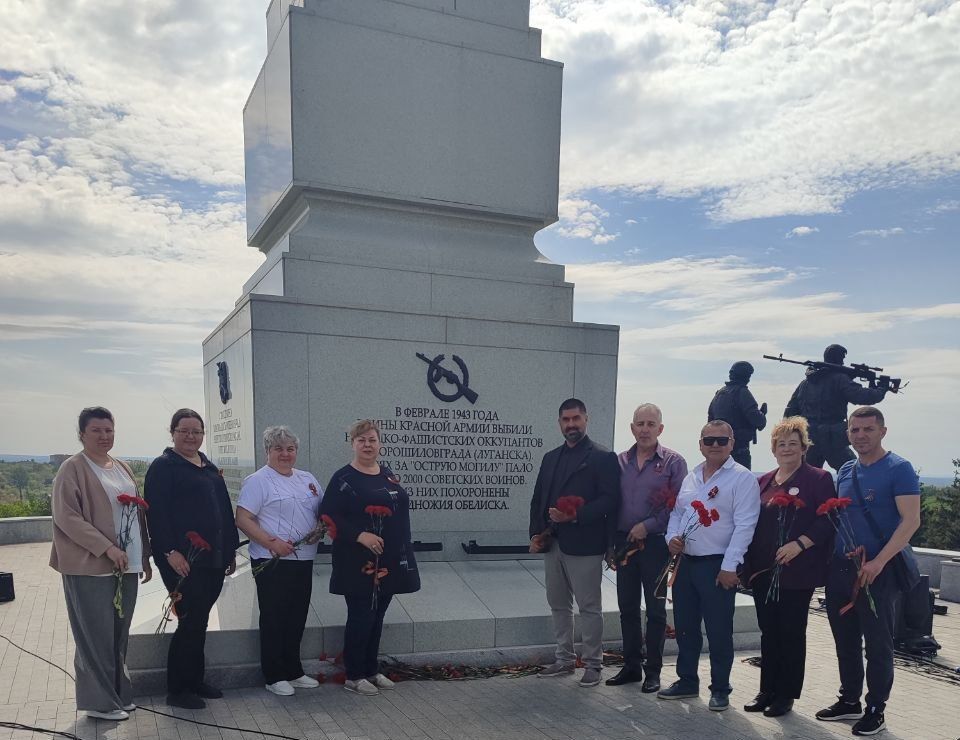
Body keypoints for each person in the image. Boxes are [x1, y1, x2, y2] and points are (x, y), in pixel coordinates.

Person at [815, 406, 921, 736]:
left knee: (877, 643)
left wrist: (878, 562)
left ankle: (876, 707)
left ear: (882, 432)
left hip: (879, 570)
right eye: (855, 430)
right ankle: (849, 700)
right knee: (844, 639)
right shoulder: (846, 470)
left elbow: (911, 522)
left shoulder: (898, 468)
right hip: (843, 569)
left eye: (868, 430)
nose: (861, 435)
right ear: (848, 433)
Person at [49, 406, 152, 722]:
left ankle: (118, 693)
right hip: (89, 566)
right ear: (81, 434)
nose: (104, 436)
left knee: (118, 633)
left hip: (127, 565)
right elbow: (67, 517)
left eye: (109, 430)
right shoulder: (73, 468)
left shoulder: (120, 467)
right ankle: (98, 701)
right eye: (96, 430)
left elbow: (137, 514)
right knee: (95, 634)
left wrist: (144, 556)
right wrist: (106, 547)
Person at [658, 420, 759, 711]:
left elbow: (745, 526)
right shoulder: (691, 477)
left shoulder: (742, 479)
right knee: (686, 627)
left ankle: (721, 688)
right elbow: (678, 513)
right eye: (709, 440)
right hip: (687, 563)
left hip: (718, 565)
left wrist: (730, 567)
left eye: (721, 440)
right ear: (700, 443)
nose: (715, 445)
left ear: (732, 443)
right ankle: (687, 680)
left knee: (718, 630)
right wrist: (671, 538)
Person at [739, 416, 835, 717]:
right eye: (781, 444)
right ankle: (766, 689)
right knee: (769, 632)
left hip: (797, 571)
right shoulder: (762, 482)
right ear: (773, 449)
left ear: (804, 447)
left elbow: (828, 519)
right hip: (763, 571)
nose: (787, 449)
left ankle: (786, 694)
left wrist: (801, 543)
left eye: (793, 443)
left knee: (791, 632)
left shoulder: (818, 479)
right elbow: (750, 523)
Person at [145, 408, 239, 710]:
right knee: (188, 620)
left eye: (196, 431)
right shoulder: (164, 467)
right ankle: (178, 689)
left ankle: (195, 680)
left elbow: (224, 511)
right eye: (184, 430)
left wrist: (230, 551)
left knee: (200, 620)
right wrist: (169, 552)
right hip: (181, 560)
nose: (190, 436)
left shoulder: (209, 467)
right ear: (172, 432)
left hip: (212, 559)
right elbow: (156, 514)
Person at [320, 420, 420, 696]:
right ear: (352, 444)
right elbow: (328, 515)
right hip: (358, 561)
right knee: (361, 616)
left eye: (372, 440)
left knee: (377, 617)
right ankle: (354, 675)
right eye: (361, 440)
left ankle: (371, 670)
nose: (367, 445)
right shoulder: (343, 479)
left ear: (380, 444)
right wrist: (359, 535)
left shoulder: (386, 474)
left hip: (386, 561)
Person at [528, 398, 620, 688]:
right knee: (558, 605)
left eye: (576, 419)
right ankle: (564, 660)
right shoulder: (550, 457)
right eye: (566, 420)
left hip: (585, 543)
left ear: (586, 420)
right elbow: (538, 498)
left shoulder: (603, 457)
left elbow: (610, 500)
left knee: (589, 607)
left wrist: (575, 516)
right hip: (552, 543)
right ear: (559, 423)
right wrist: (534, 534)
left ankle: (593, 664)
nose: (571, 425)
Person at [236, 426, 324, 696]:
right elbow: (243, 518)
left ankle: (294, 670)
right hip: (271, 560)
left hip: (303, 558)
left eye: (290, 449)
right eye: (279, 449)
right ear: (268, 452)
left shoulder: (307, 479)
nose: (285, 454)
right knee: (274, 617)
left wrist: (319, 530)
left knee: (297, 616)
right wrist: (272, 543)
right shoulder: (258, 481)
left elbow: (321, 512)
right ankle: (274, 675)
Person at [606, 403, 687, 693]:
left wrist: (649, 525)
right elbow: (610, 502)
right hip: (623, 543)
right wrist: (610, 544)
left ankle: (653, 671)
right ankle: (631, 667)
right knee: (627, 606)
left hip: (655, 544)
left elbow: (678, 506)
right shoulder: (618, 462)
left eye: (651, 424)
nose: (645, 429)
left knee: (655, 610)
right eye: (640, 423)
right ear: (631, 428)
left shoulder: (673, 463)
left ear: (660, 429)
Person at [784, 344, 888, 471]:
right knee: (854, 472)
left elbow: (790, 412)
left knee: (805, 476)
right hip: (833, 438)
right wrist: (882, 388)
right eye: (842, 358)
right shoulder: (839, 379)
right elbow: (863, 397)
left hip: (809, 437)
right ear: (838, 359)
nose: (843, 362)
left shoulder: (805, 384)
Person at [707, 361, 767, 470]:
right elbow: (758, 421)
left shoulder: (719, 394)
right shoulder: (742, 393)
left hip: (719, 450)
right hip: (739, 449)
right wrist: (762, 414)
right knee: (742, 481)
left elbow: (710, 422)